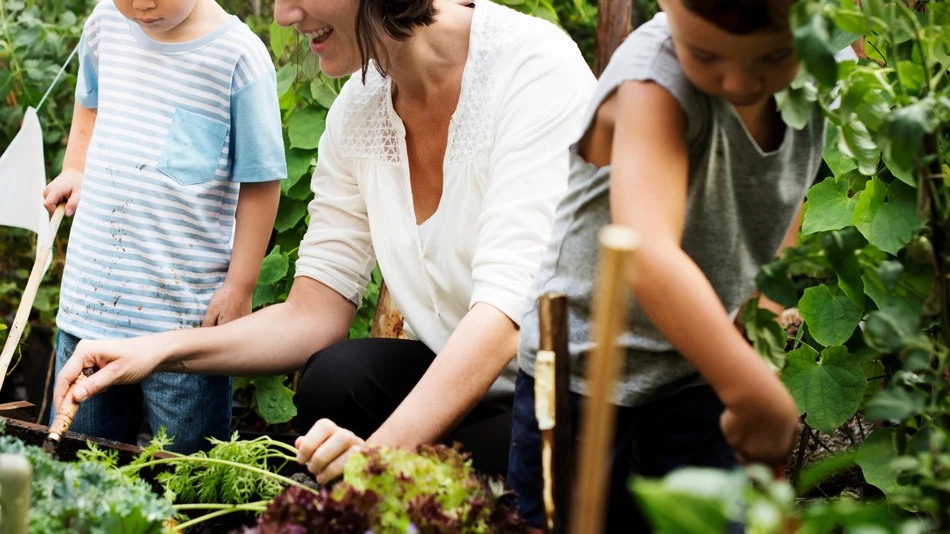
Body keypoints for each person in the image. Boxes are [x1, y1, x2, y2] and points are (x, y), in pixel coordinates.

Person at [54, 0, 595, 478]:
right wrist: (156, 349)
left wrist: (375, 458)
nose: (285, 16)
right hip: (480, 384)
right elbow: (312, 315)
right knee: (334, 383)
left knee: (496, 464)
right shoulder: (358, 110)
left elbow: (506, 314)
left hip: (575, 392)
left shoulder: (531, 68)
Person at [509, 0, 826, 530]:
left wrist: (760, 315)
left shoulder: (823, 70)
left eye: (773, 56)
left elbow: (781, 193)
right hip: (580, 373)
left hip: (697, 367)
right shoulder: (653, 80)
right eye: (705, 53)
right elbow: (647, 255)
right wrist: (753, 392)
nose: (739, 81)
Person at [43, 0, 285, 454]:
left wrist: (240, 285)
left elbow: (261, 182)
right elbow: (89, 101)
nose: (141, 4)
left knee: (188, 467)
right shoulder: (105, 26)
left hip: (182, 330)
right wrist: (75, 167)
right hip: (91, 311)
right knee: (84, 461)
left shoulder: (238, 59)